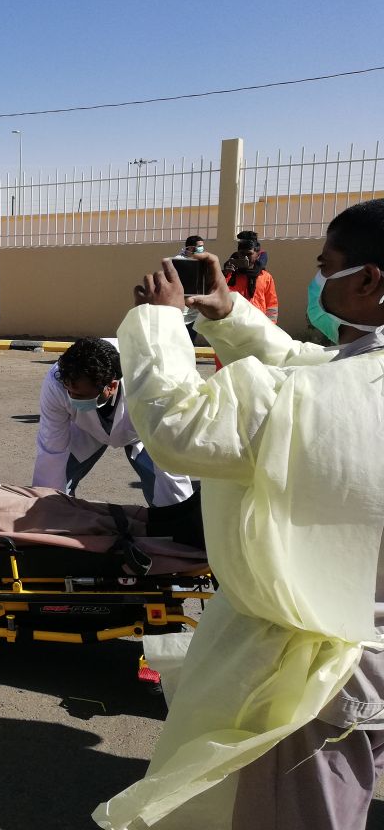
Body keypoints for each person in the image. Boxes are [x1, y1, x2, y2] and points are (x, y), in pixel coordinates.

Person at [95, 199, 384, 830]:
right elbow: (310, 372)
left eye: (326, 265)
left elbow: (178, 426)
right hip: (366, 658)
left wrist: (157, 323)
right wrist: (229, 316)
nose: (317, 279)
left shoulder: (326, 399)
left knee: (303, 813)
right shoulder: (352, 380)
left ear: (369, 282)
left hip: (318, 678)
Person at [31, 338, 194, 507]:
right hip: (85, 430)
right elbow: (51, 447)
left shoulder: (151, 382)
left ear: (112, 386)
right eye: (69, 391)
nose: (72, 398)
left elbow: (169, 454)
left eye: (80, 396)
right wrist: (46, 509)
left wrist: (181, 512)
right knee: (53, 492)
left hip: (144, 432)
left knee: (168, 497)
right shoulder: (56, 381)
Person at [223, 238, 279, 323]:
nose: (245, 257)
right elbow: (217, 295)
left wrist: (270, 325)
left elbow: (272, 304)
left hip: (259, 324)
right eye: (242, 254)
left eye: (249, 254)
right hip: (234, 324)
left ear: (258, 255)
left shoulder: (265, 277)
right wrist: (224, 275)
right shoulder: (230, 275)